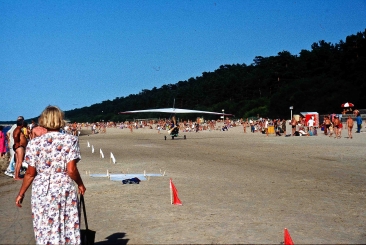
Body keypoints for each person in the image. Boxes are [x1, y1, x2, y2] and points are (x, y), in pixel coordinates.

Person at [15, 105, 86, 245]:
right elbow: (71, 170)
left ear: (44, 120)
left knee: (44, 226)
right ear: (60, 119)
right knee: (67, 224)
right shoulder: (70, 140)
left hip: (42, 189)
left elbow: (30, 173)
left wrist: (21, 193)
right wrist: (80, 184)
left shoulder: (34, 143)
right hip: (63, 187)